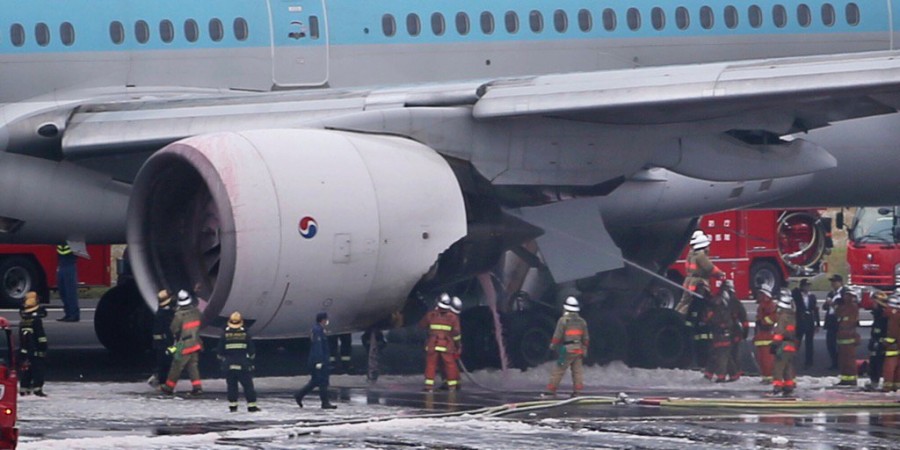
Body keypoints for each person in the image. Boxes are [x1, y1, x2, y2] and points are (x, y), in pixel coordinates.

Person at [544, 296, 590, 397]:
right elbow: (586, 338)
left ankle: (550, 391)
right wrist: (584, 349)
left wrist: (553, 346)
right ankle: (577, 392)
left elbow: (557, 335)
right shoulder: (582, 321)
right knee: (577, 372)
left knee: (558, 370)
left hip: (566, 349)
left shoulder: (563, 320)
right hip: (578, 349)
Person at [161, 290, 204, 395]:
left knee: (176, 365)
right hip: (196, 342)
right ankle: (197, 387)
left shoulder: (179, 315)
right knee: (192, 365)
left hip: (182, 344)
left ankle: (168, 387)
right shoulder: (196, 312)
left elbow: (173, 329)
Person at [216, 311, 260, 412]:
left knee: (232, 387)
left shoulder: (225, 335)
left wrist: (224, 361)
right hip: (243, 364)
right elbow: (252, 351)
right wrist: (249, 361)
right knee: (248, 386)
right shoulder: (245, 334)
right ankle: (252, 406)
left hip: (229, 365)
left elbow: (219, 352)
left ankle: (233, 407)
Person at [675, 231, 725, 316]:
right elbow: (710, 268)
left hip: (689, 282)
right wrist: (721, 274)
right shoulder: (700, 255)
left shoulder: (691, 254)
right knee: (697, 305)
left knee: (684, 302)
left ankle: (675, 316)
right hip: (698, 283)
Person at [418, 293, 461, 392]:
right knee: (450, 365)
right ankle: (452, 386)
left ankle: (429, 387)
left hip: (433, 344)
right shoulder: (453, 317)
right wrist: (458, 345)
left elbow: (421, 325)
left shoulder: (431, 315)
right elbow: (456, 333)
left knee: (431, 365)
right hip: (447, 345)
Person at [294, 312, 337, 409]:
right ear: (323, 320)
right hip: (318, 361)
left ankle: (299, 395)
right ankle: (325, 403)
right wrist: (319, 361)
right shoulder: (317, 330)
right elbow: (318, 347)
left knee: (316, 381)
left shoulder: (320, 330)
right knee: (323, 381)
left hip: (321, 360)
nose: (327, 321)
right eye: (326, 319)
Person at [18, 292, 48, 396]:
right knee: (38, 370)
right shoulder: (36, 321)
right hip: (36, 351)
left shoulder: (23, 321)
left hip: (25, 351)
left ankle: (23, 388)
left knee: (27, 370)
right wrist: (43, 347)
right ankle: (37, 389)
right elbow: (41, 337)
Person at [770, 289, 798, 396]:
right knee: (788, 368)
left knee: (778, 368)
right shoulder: (792, 317)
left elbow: (779, 332)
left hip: (783, 345)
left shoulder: (782, 317)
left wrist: (774, 345)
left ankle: (777, 388)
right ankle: (788, 387)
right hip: (790, 346)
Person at [706, 286, 735, 383]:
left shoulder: (723, 310)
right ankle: (734, 374)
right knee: (723, 356)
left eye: (717, 298)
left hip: (723, 337)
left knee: (722, 357)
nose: (715, 300)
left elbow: (728, 323)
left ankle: (721, 377)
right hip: (717, 337)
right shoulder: (715, 310)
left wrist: (720, 325)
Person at [835, 286, 861, 386]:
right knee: (843, 361)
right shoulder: (843, 305)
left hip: (849, 338)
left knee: (849, 361)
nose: (844, 297)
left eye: (846, 295)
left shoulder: (852, 306)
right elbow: (837, 315)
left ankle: (852, 380)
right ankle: (845, 379)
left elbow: (847, 320)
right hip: (842, 338)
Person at [149, 289, 175, 388]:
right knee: (165, 362)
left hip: (158, 342)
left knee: (162, 361)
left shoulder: (160, 311)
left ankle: (159, 377)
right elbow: (168, 329)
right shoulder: (165, 314)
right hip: (164, 342)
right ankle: (161, 381)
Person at [686, 279, 713, 372]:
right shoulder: (695, 303)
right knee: (700, 349)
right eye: (699, 289)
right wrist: (689, 328)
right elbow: (689, 318)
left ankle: (708, 366)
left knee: (709, 350)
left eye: (702, 289)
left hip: (708, 331)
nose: (700, 291)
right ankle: (703, 366)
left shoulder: (709, 302)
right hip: (699, 331)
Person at [791, 279, 819, 368]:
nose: (807, 287)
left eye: (808, 286)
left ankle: (809, 361)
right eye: (805, 286)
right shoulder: (797, 295)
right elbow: (793, 294)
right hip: (800, 320)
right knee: (797, 340)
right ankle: (792, 359)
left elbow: (815, 310)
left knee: (809, 342)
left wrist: (817, 323)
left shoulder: (812, 297)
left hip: (809, 320)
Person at [724, 280, 749, 382]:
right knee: (729, 352)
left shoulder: (735, 303)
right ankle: (732, 371)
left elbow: (743, 318)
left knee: (733, 352)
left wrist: (745, 331)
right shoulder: (724, 302)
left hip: (735, 331)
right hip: (728, 331)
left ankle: (735, 372)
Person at [753, 284, 777, 384]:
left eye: (760, 293)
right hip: (761, 335)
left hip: (767, 335)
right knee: (761, 359)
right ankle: (765, 377)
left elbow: (774, 317)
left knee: (767, 359)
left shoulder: (770, 305)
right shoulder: (762, 304)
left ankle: (770, 377)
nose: (757, 295)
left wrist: (763, 322)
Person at [865, 292, 888, 391]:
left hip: (881, 343)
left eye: (874, 302)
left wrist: (880, 341)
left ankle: (881, 383)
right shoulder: (878, 314)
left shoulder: (884, 316)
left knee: (880, 363)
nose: (872, 304)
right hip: (876, 341)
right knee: (873, 363)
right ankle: (874, 382)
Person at [822, 274, 843, 370]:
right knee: (830, 343)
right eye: (832, 282)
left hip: (839, 321)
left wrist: (833, 304)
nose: (832, 284)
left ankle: (840, 362)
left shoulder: (844, 293)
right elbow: (824, 307)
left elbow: (844, 307)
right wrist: (827, 304)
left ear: (840, 282)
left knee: (840, 344)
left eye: (834, 282)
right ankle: (834, 362)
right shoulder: (831, 294)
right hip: (830, 321)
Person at [880, 293, 900, 392]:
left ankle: (887, 386)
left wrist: (888, 341)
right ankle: (897, 385)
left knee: (889, 365)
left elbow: (893, 332)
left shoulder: (894, 316)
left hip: (893, 345)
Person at [56, 243, 80, 322]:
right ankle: (68, 314)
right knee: (63, 292)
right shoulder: (60, 243)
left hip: (69, 265)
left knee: (70, 292)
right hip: (62, 265)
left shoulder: (73, 241)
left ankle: (74, 315)